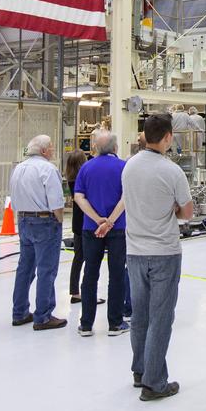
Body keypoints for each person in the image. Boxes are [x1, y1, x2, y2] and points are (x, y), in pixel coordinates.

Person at [123, 113, 194, 400]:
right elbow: (187, 212)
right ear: (167, 137)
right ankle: (155, 382)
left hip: (135, 252)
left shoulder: (129, 167)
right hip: (164, 251)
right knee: (161, 317)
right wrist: (172, 211)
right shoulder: (172, 171)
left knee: (140, 315)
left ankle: (140, 371)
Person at [73, 130, 130, 337]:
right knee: (116, 274)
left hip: (91, 229)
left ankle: (86, 324)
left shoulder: (86, 168)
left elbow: (79, 197)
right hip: (117, 228)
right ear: (115, 147)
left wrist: (97, 220)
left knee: (90, 274)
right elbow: (126, 197)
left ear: (95, 147)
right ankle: (115, 323)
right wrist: (110, 221)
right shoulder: (124, 167)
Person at [9, 134, 67, 330]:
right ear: (44, 151)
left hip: (23, 221)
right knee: (46, 270)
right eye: (51, 147)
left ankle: (19, 312)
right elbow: (57, 203)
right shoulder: (48, 169)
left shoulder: (19, 168)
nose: (52, 150)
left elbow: (14, 198)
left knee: (24, 269)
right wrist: (58, 222)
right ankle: (43, 316)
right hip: (45, 222)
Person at [64, 149, 89, 303]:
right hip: (87, 222)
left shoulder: (71, 180)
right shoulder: (83, 180)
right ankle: (85, 290)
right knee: (90, 258)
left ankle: (75, 291)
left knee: (78, 257)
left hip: (77, 222)